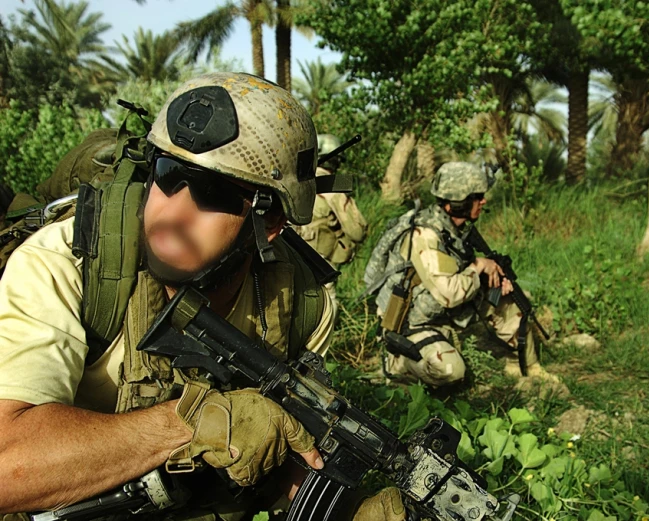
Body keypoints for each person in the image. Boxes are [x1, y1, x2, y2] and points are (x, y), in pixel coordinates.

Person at [0, 73, 401, 521]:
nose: (173, 210)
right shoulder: (66, 266)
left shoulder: (300, 302)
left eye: (213, 192)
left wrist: (346, 509)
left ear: (270, 224)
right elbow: (6, 468)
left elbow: (282, 454)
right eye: (167, 175)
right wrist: (188, 421)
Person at [366, 161, 559, 388]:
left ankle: (525, 366)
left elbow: (455, 273)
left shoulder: (450, 228)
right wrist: (478, 267)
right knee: (451, 370)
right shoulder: (426, 235)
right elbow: (450, 294)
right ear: (458, 203)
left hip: (435, 309)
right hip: (411, 322)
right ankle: (397, 363)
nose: (484, 201)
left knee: (509, 296)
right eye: (477, 197)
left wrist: (492, 278)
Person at [297, 134, 368, 313]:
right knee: (327, 306)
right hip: (319, 261)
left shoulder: (296, 180)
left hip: (289, 253)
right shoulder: (332, 185)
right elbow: (357, 232)